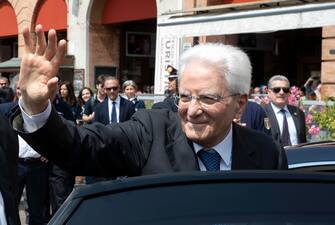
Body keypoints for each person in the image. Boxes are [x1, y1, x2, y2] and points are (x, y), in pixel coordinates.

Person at [12, 25, 287, 180]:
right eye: (185, 96)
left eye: (207, 98)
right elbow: (82, 147)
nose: (191, 110)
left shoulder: (267, 155)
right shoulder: (150, 132)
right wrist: (37, 110)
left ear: (240, 103)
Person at [264, 75, 307, 147]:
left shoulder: (298, 113)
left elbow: (303, 141)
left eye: (285, 89)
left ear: (289, 92)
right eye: (277, 89)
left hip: (296, 156)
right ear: (268, 92)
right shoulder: (262, 113)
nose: (281, 92)